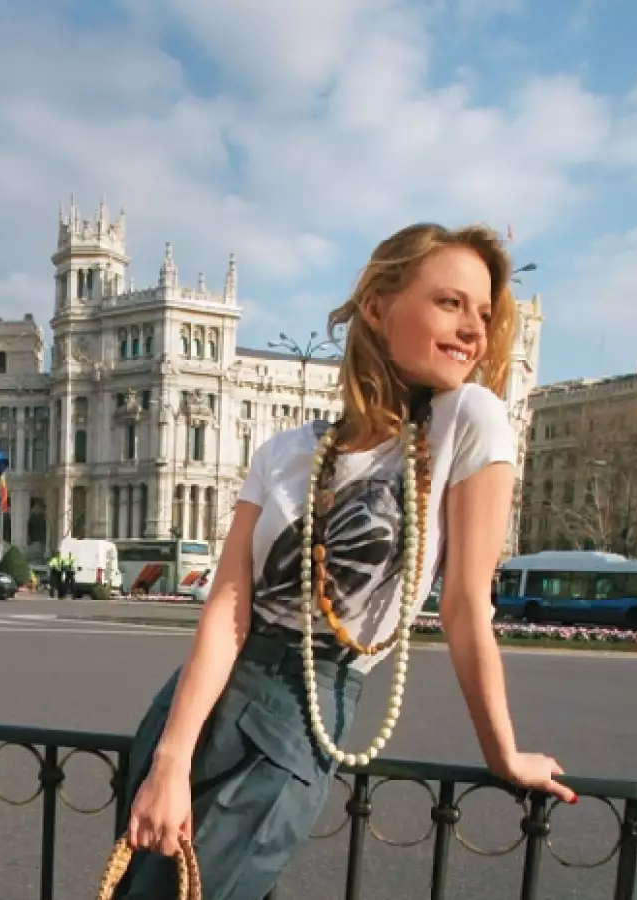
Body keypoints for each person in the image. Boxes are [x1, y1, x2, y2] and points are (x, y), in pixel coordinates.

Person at [114, 223, 576, 900]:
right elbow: (228, 609)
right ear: (377, 306)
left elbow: (465, 603)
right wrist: (170, 759)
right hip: (192, 708)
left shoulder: (469, 420)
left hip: (298, 711)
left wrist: (502, 753)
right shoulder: (284, 452)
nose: (473, 329)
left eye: (483, 312)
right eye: (451, 302)